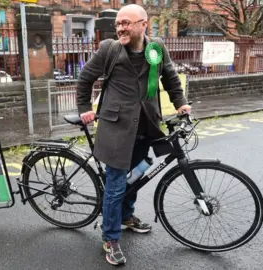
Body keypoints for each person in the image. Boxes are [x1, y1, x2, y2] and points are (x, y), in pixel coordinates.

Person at [76, 4, 191, 266]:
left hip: (146, 125)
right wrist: (84, 108)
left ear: (143, 24)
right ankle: (110, 237)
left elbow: (170, 78)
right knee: (116, 185)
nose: (120, 28)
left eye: (126, 23)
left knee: (135, 177)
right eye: (118, 24)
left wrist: (181, 103)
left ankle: (126, 217)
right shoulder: (109, 49)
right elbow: (85, 78)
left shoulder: (157, 48)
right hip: (116, 127)